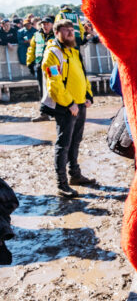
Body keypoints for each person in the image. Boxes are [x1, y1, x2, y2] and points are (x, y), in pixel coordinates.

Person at [41, 19, 95, 197]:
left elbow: (82, 75)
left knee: (75, 141)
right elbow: (53, 83)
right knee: (63, 144)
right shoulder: (53, 53)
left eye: (72, 30)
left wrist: (88, 96)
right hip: (65, 106)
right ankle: (61, 184)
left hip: (80, 104)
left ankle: (75, 175)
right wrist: (69, 103)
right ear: (57, 33)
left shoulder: (73, 51)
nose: (71, 33)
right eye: (66, 30)